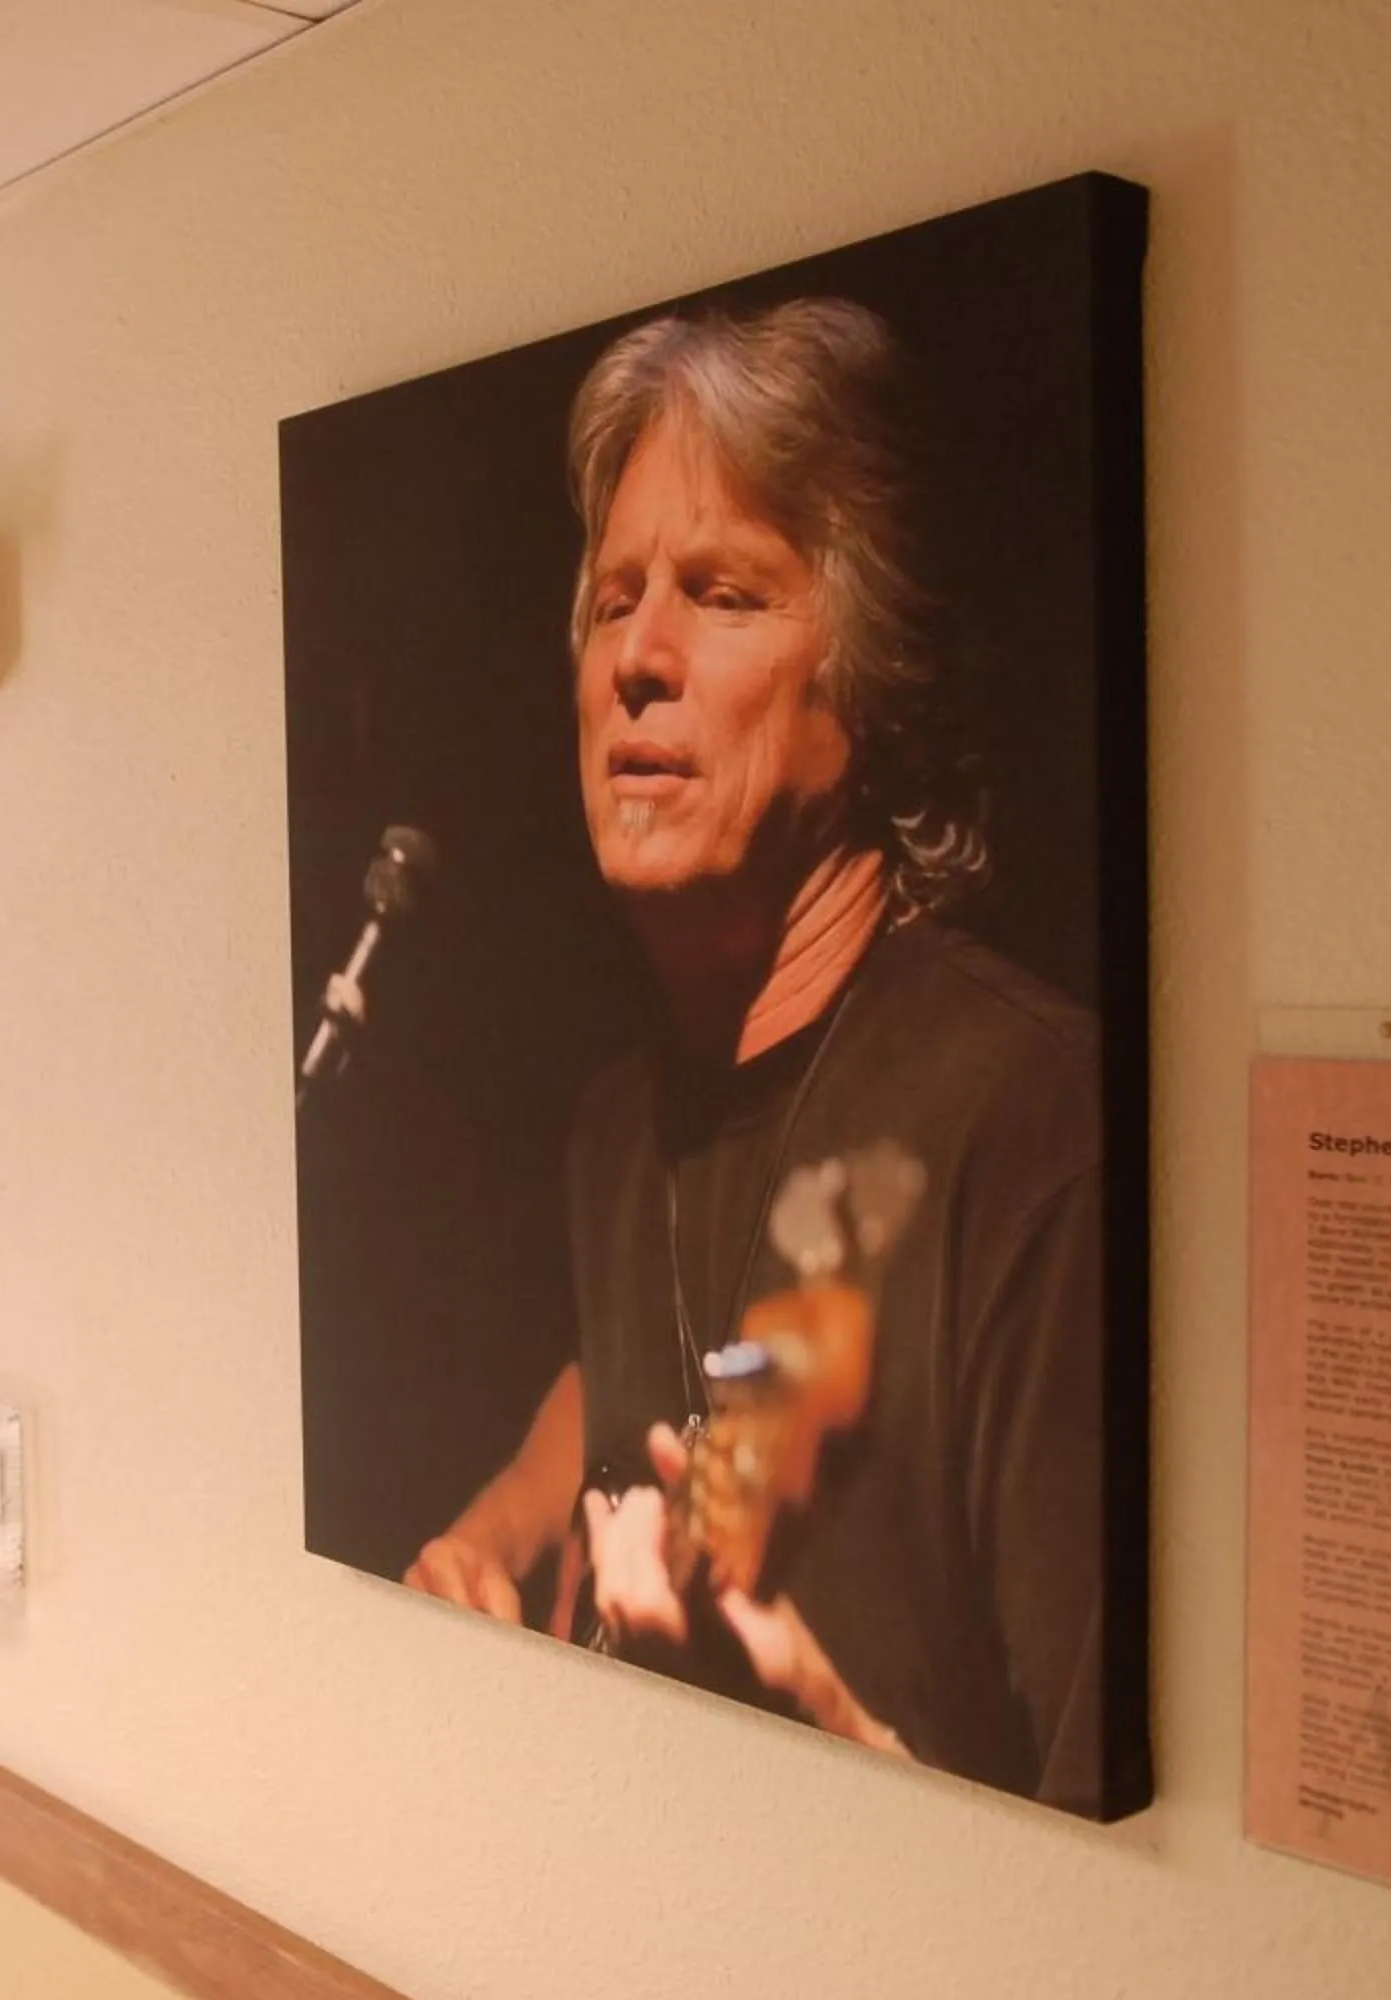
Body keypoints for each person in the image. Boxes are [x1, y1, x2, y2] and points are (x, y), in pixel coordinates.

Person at [402, 298, 1116, 1814]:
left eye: (722, 595)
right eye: (611, 600)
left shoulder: (1028, 1115)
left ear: (866, 678)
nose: (637, 660)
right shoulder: (623, 1124)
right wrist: (505, 1525)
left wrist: (846, 1752)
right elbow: (687, 1351)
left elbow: (1123, 1822)